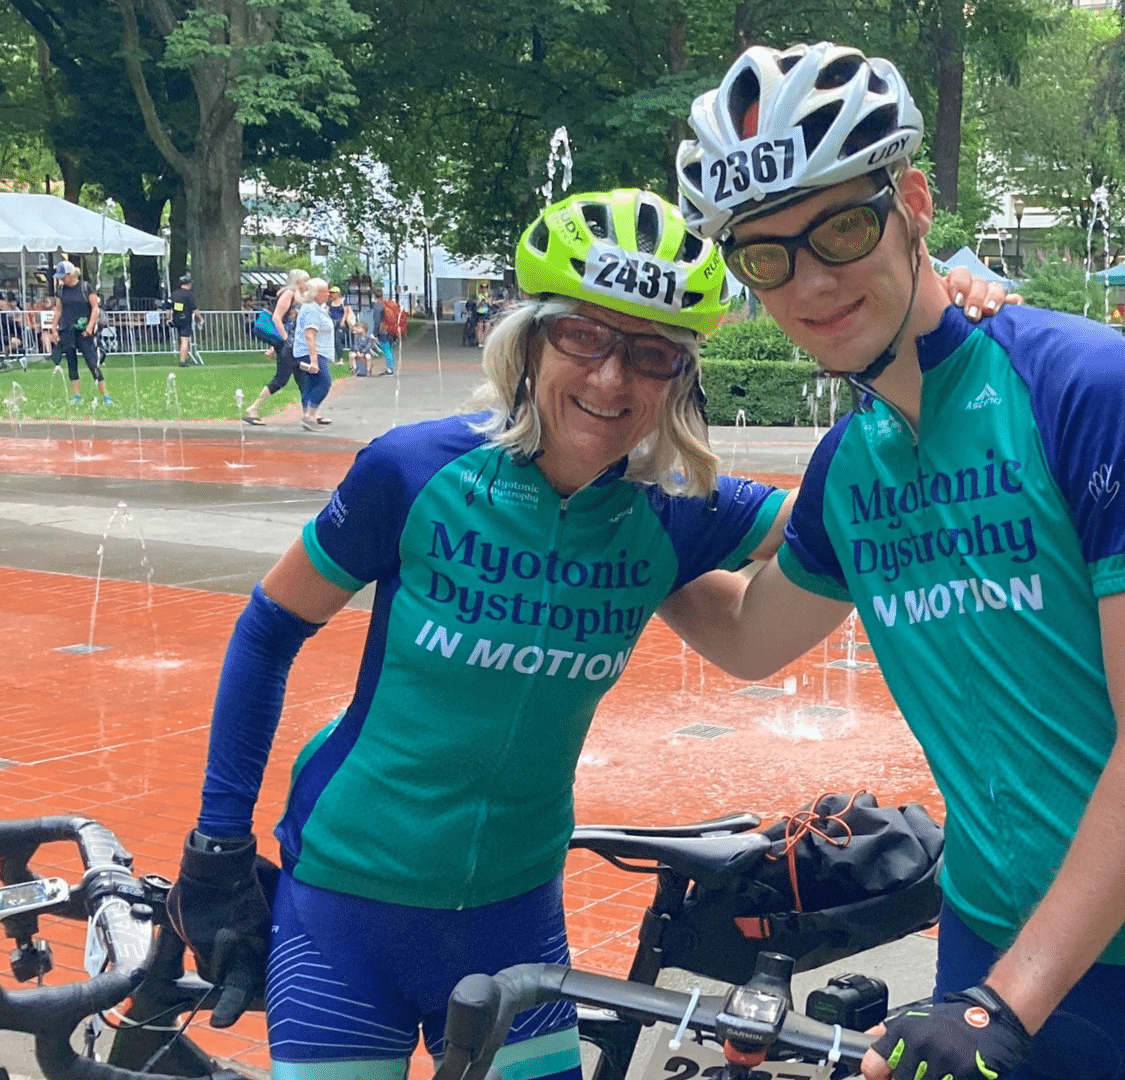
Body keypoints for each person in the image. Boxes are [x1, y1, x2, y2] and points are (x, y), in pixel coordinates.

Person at [166, 187, 1011, 1080]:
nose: (612, 379)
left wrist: (946, 343)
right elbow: (266, 632)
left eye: (649, 354)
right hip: (343, 907)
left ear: (678, 378)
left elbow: (859, 511)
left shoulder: (671, 512)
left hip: (512, 918)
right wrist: (217, 847)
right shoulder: (413, 472)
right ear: (529, 342)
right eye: (583, 336)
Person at [664, 42, 1125, 1080]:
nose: (811, 282)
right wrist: (628, 523)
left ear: (912, 201)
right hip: (986, 950)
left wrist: (1005, 1005)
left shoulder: (1089, 389)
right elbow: (746, 634)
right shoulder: (849, 465)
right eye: (766, 255)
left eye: (843, 226)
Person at [243, 269, 309, 425]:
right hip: (288, 344)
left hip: (287, 343)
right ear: (298, 281)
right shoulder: (288, 294)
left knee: (301, 377)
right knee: (282, 378)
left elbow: (289, 323)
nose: (308, 283)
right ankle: (253, 408)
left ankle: (309, 413)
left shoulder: (297, 296)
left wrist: (278, 345)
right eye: (306, 280)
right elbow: (277, 318)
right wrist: (287, 341)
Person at [48, 260, 110, 404]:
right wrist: (54, 329)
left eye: (63, 276)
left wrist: (90, 326)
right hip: (67, 330)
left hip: (84, 331)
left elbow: (95, 308)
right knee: (71, 363)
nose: (61, 279)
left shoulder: (85, 287)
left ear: (70, 275)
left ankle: (105, 395)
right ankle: (76, 395)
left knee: (92, 362)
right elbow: (58, 310)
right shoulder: (61, 290)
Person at [295, 278, 335, 431]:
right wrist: (314, 360)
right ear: (315, 293)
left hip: (314, 352)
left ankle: (309, 414)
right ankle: (310, 415)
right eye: (325, 291)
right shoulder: (311, 309)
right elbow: (310, 335)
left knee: (311, 382)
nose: (328, 294)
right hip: (312, 352)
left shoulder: (314, 307)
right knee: (324, 382)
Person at [173, 273, 200, 366]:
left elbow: (168, 307)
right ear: (188, 284)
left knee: (180, 339)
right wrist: (200, 319)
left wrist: (168, 319)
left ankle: (185, 357)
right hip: (186, 319)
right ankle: (183, 361)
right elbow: (194, 308)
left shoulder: (175, 294)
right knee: (185, 340)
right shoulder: (189, 295)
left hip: (176, 319)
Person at [372, 287, 398, 375]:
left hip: (383, 331)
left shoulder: (377, 306)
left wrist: (374, 333)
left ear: (374, 296)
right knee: (390, 349)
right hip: (392, 329)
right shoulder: (388, 303)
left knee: (386, 349)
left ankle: (389, 369)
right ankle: (391, 367)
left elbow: (377, 321)